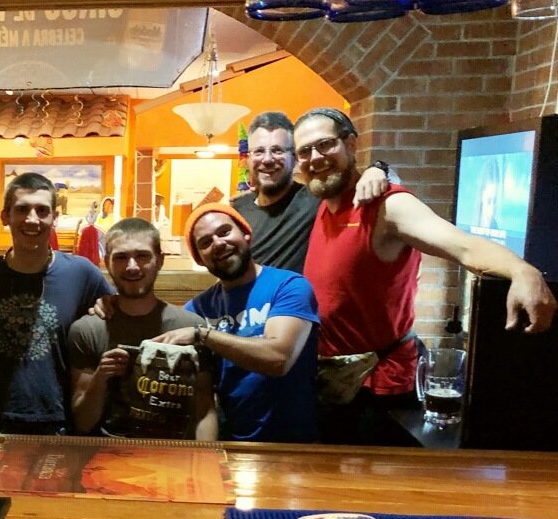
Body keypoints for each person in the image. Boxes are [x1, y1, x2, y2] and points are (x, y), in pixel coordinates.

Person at [293, 107, 557, 444]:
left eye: (325, 144)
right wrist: (380, 167)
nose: (315, 158)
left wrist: (522, 270)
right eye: (305, 151)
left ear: (351, 144)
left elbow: (463, 247)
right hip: (333, 384)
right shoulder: (324, 204)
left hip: (378, 388)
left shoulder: (388, 206)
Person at [0, 172, 114, 434]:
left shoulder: (82, 273)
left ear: (55, 218)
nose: (32, 219)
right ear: (5, 216)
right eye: (22, 209)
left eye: (42, 210)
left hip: (56, 421)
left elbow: (120, 315)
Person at [152, 203, 320, 442]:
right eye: (206, 242)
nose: (218, 243)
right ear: (200, 259)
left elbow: (279, 359)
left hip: (294, 446)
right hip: (232, 444)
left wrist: (204, 335)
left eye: (224, 232)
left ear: (246, 234)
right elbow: (201, 396)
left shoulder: (289, 287)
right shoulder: (198, 309)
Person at [68, 218, 217, 440]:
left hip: (175, 455)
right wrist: (101, 377)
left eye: (142, 256)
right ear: (107, 263)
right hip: (109, 454)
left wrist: (206, 456)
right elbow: (82, 422)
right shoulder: (86, 330)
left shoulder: (191, 327)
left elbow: (204, 409)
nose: (132, 266)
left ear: (160, 261)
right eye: (121, 257)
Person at [232, 111, 390, 273]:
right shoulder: (237, 209)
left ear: (295, 158)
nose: (267, 159)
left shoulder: (317, 199)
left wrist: (377, 169)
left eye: (277, 150)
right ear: (249, 158)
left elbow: (349, 180)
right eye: (258, 151)